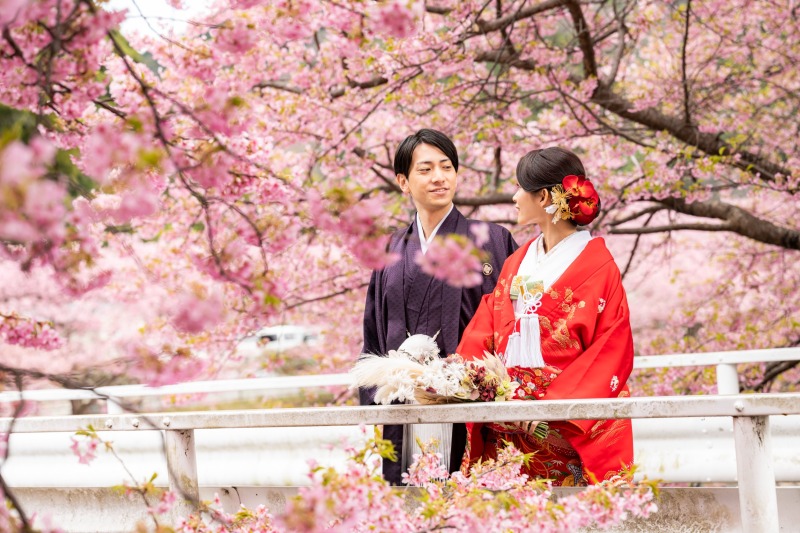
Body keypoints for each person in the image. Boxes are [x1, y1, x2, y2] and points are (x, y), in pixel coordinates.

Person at [455, 146, 634, 486]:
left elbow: (611, 347)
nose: (514, 196)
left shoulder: (599, 267)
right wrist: (475, 380)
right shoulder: (517, 260)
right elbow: (486, 327)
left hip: (559, 425)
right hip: (506, 419)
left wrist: (545, 406)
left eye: (521, 188)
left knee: (567, 514)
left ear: (546, 197)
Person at [359, 129, 518, 485]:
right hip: (405, 407)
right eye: (426, 169)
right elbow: (373, 334)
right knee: (410, 506)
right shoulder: (389, 252)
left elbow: (511, 324)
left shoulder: (492, 240)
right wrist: (377, 398)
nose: (439, 177)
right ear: (403, 182)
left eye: (446, 167)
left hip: (473, 405)